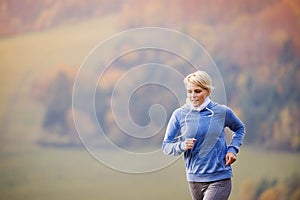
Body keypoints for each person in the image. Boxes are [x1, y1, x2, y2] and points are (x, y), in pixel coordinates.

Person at [162, 70, 245, 200]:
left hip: (220, 178)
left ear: (207, 91)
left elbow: (239, 128)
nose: (193, 95)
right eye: (190, 91)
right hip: (194, 179)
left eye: (197, 91)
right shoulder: (179, 114)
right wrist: (182, 145)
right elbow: (166, 146)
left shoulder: (221, 111)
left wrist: (232, 149)